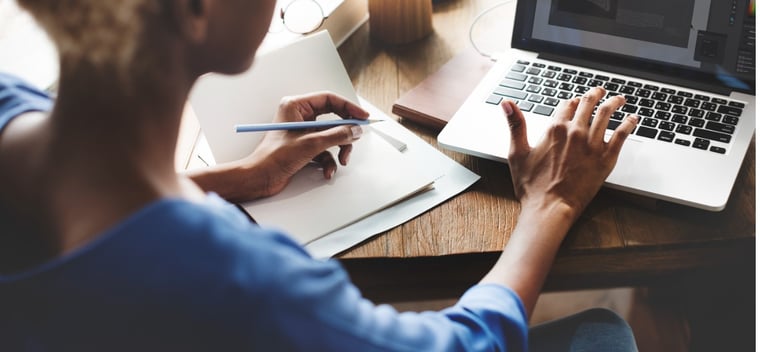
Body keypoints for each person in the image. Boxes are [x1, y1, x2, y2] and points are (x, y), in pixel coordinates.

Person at [0, 0, 639, 351]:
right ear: (193, 10)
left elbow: (89, 211)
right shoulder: (238, 281)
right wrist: (549, 203)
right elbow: (463, 346)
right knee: (604, 336)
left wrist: (244, 177)